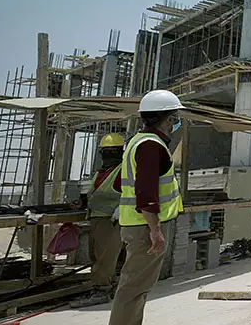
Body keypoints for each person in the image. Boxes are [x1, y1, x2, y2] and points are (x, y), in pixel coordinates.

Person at [110, 90, 185, 325]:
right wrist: (155, 230)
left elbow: (119, 183)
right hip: (145, 227)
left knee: (137, 287)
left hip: (136, 224)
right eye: (174, 117)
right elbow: (146, 192)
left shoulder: (137, 142)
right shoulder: (152, 146)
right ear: (168, 119)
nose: (175, 122)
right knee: (133, 288)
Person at [70, 133, 127, 308]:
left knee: (105, 258)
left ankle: (101, 290)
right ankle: (110, 286)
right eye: (106, 151)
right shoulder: (101, 172)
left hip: (111, 220)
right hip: (96, 218)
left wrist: (121, 209)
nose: (109, 155)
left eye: (113, 151)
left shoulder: (123, 170)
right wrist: (83, 202)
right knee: (97, 256)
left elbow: (132, 193)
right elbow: (95, 193)